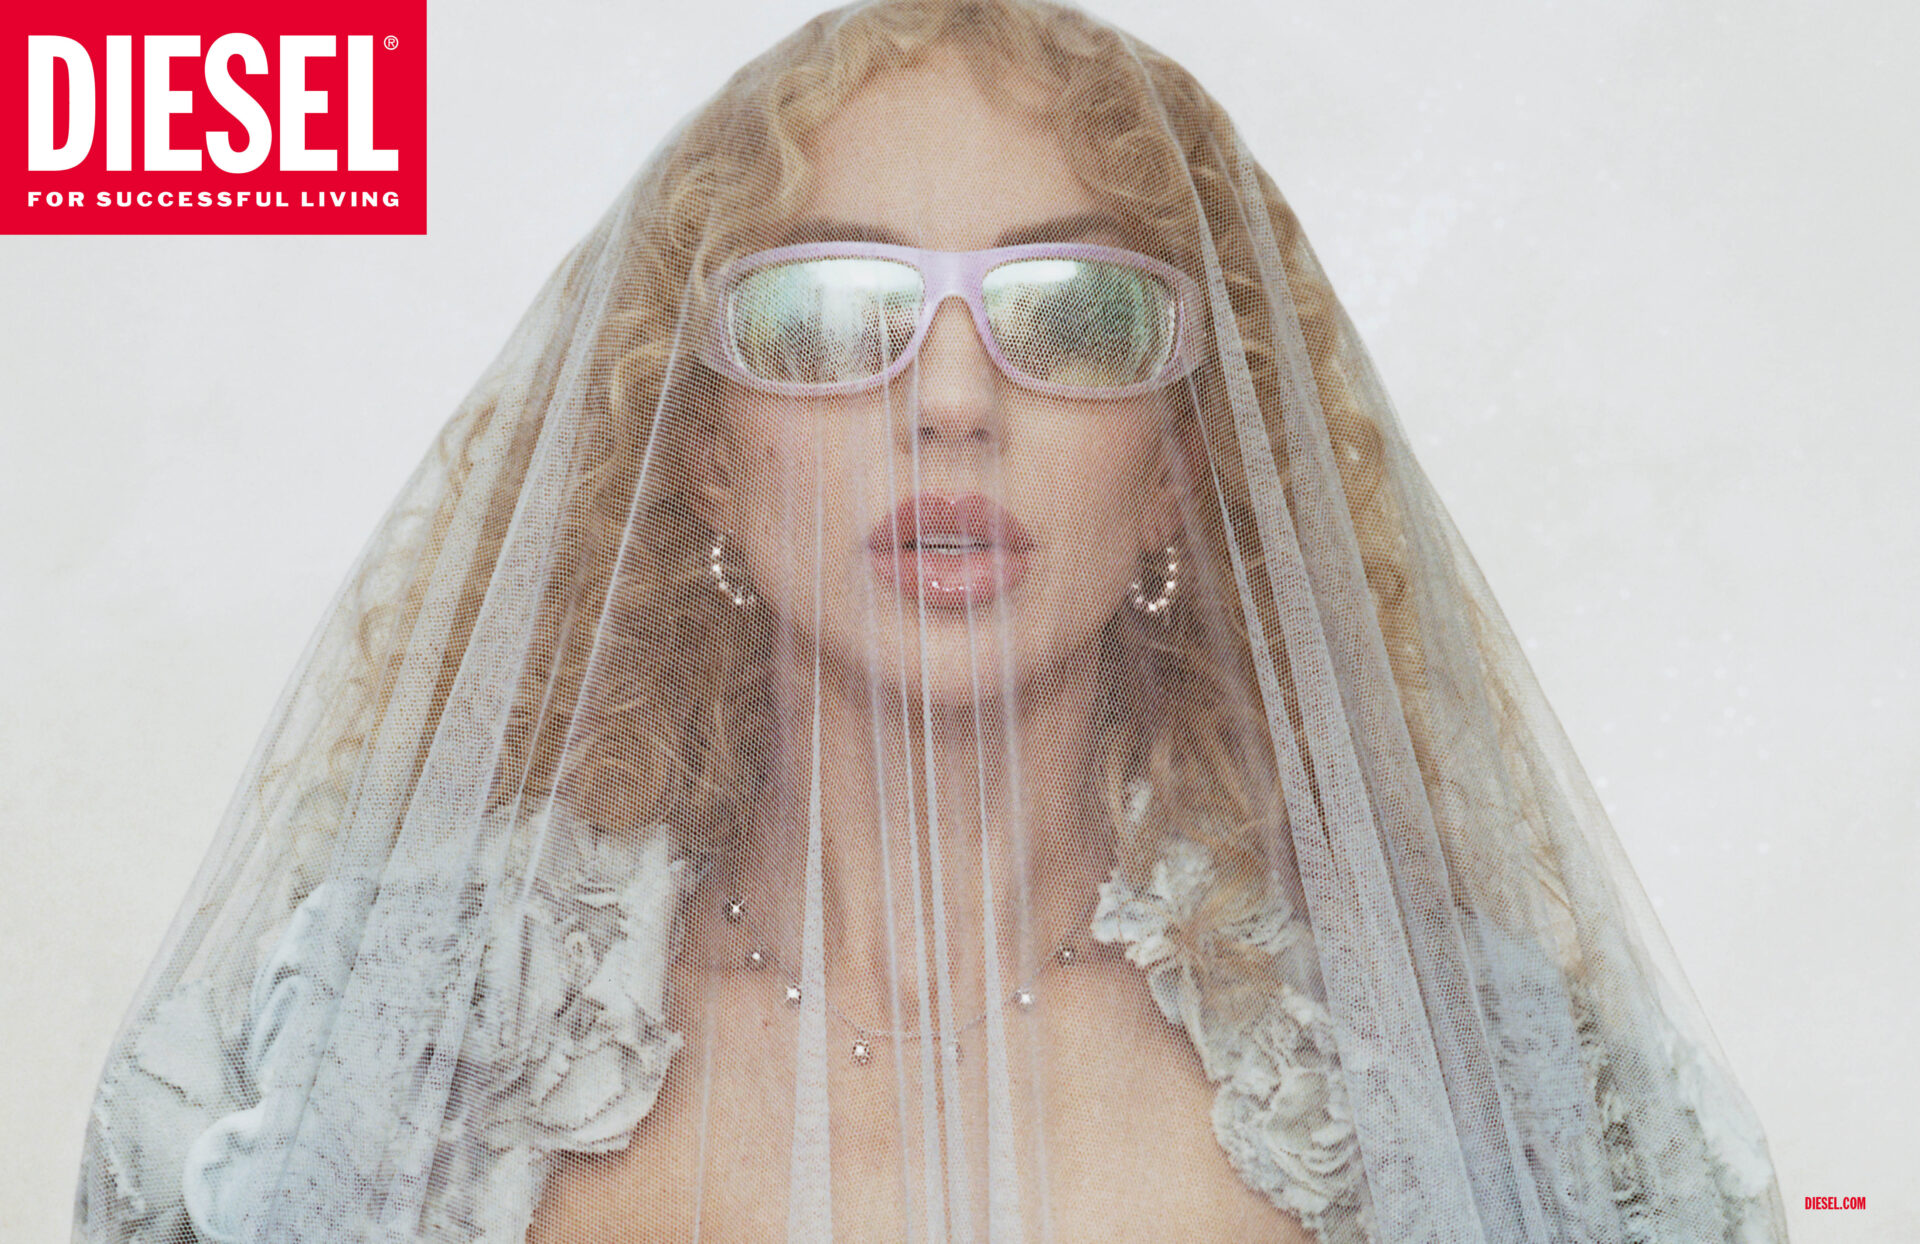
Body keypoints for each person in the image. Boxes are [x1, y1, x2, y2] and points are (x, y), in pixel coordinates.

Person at [73, 1, 1792, 1241]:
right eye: (829, 313)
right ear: (702, 460)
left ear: (1181, 466)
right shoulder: (384, 1065)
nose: (954, 399)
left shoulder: (1453, 1094)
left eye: (1076, 310)